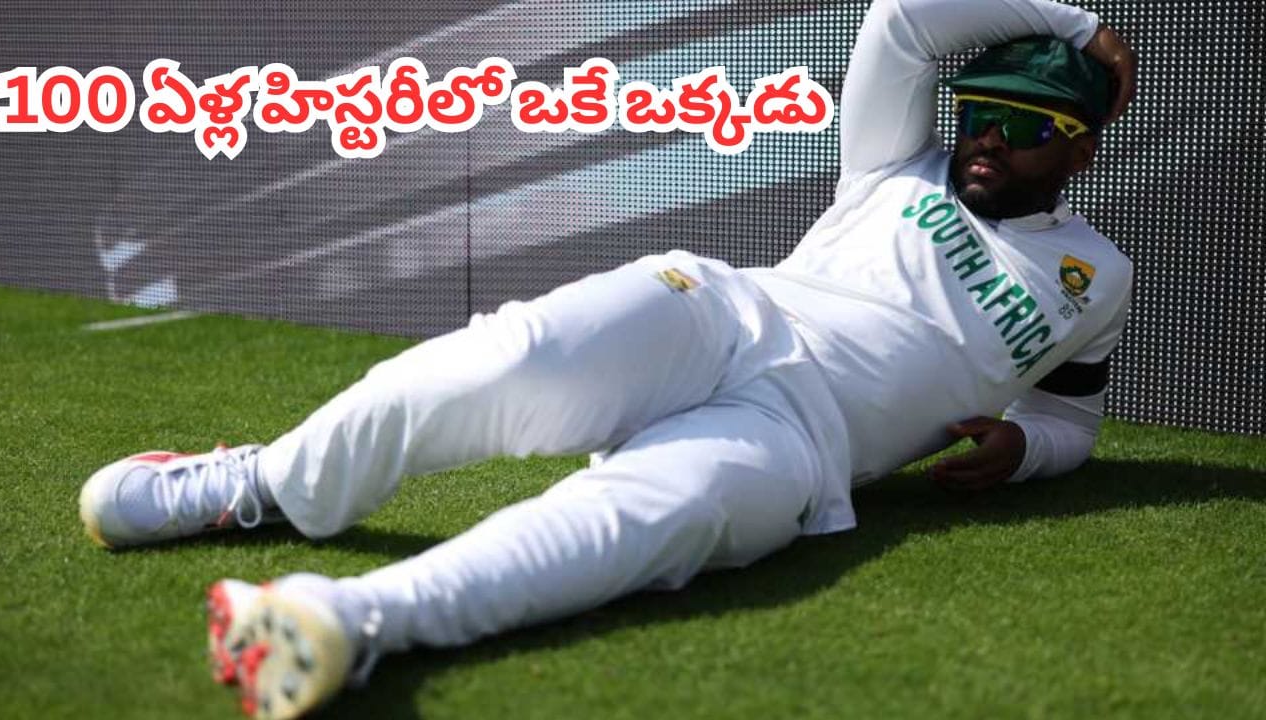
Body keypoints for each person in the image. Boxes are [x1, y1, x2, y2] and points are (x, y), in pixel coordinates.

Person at [79, 0, 1138, 717]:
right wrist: (1075, 26)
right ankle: (258, 486)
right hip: (720, 316)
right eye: (976, 111)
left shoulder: (1096, 277)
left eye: (1021, 124)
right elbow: (902, 15)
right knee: (503, 364)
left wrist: (1024, 449)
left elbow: (1069, 421)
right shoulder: (894, 163)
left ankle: (347, 624)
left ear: (1081, 147)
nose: (985, 138)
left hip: (798, 445)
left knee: (639, 527)